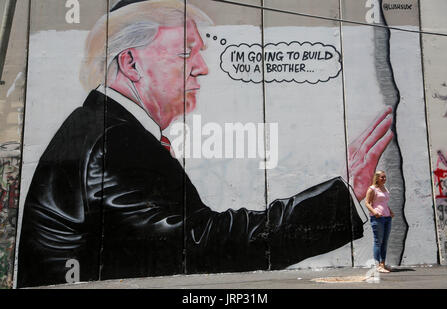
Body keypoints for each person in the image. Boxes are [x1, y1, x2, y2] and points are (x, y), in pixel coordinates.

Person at [16, 0, 393, 288]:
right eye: (185, 52)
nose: (203, 67)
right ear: (131, 64)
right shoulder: (115, 142)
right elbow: (201, 246)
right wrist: (344, 197)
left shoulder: (101, 127)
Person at [365, 171, 395, 273]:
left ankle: (383, 264)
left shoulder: (384, 188)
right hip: (377, 218)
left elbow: (384, 203)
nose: (384, 179)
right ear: (377, 178)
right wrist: (374, 212)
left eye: (385, 177)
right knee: (378, 241)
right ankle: (377, 265)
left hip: (387, 217)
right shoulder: (372, 189)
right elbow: (367, 203)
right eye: (382, 177)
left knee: (385, 242)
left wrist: (390, 211)